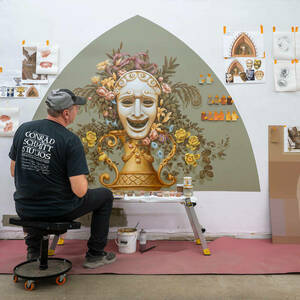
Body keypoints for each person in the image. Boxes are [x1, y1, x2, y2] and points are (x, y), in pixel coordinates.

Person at [9, 89, 116, 269]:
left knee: (35, 191)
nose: (77, 112)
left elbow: (14, 171)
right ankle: (95, 255)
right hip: (58, 210)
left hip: (24, 208)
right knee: (105, 195)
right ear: (66, 113)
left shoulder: (23, 130)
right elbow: (80, 191)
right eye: (76, 109)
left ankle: (33, 251)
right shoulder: (69, 140)